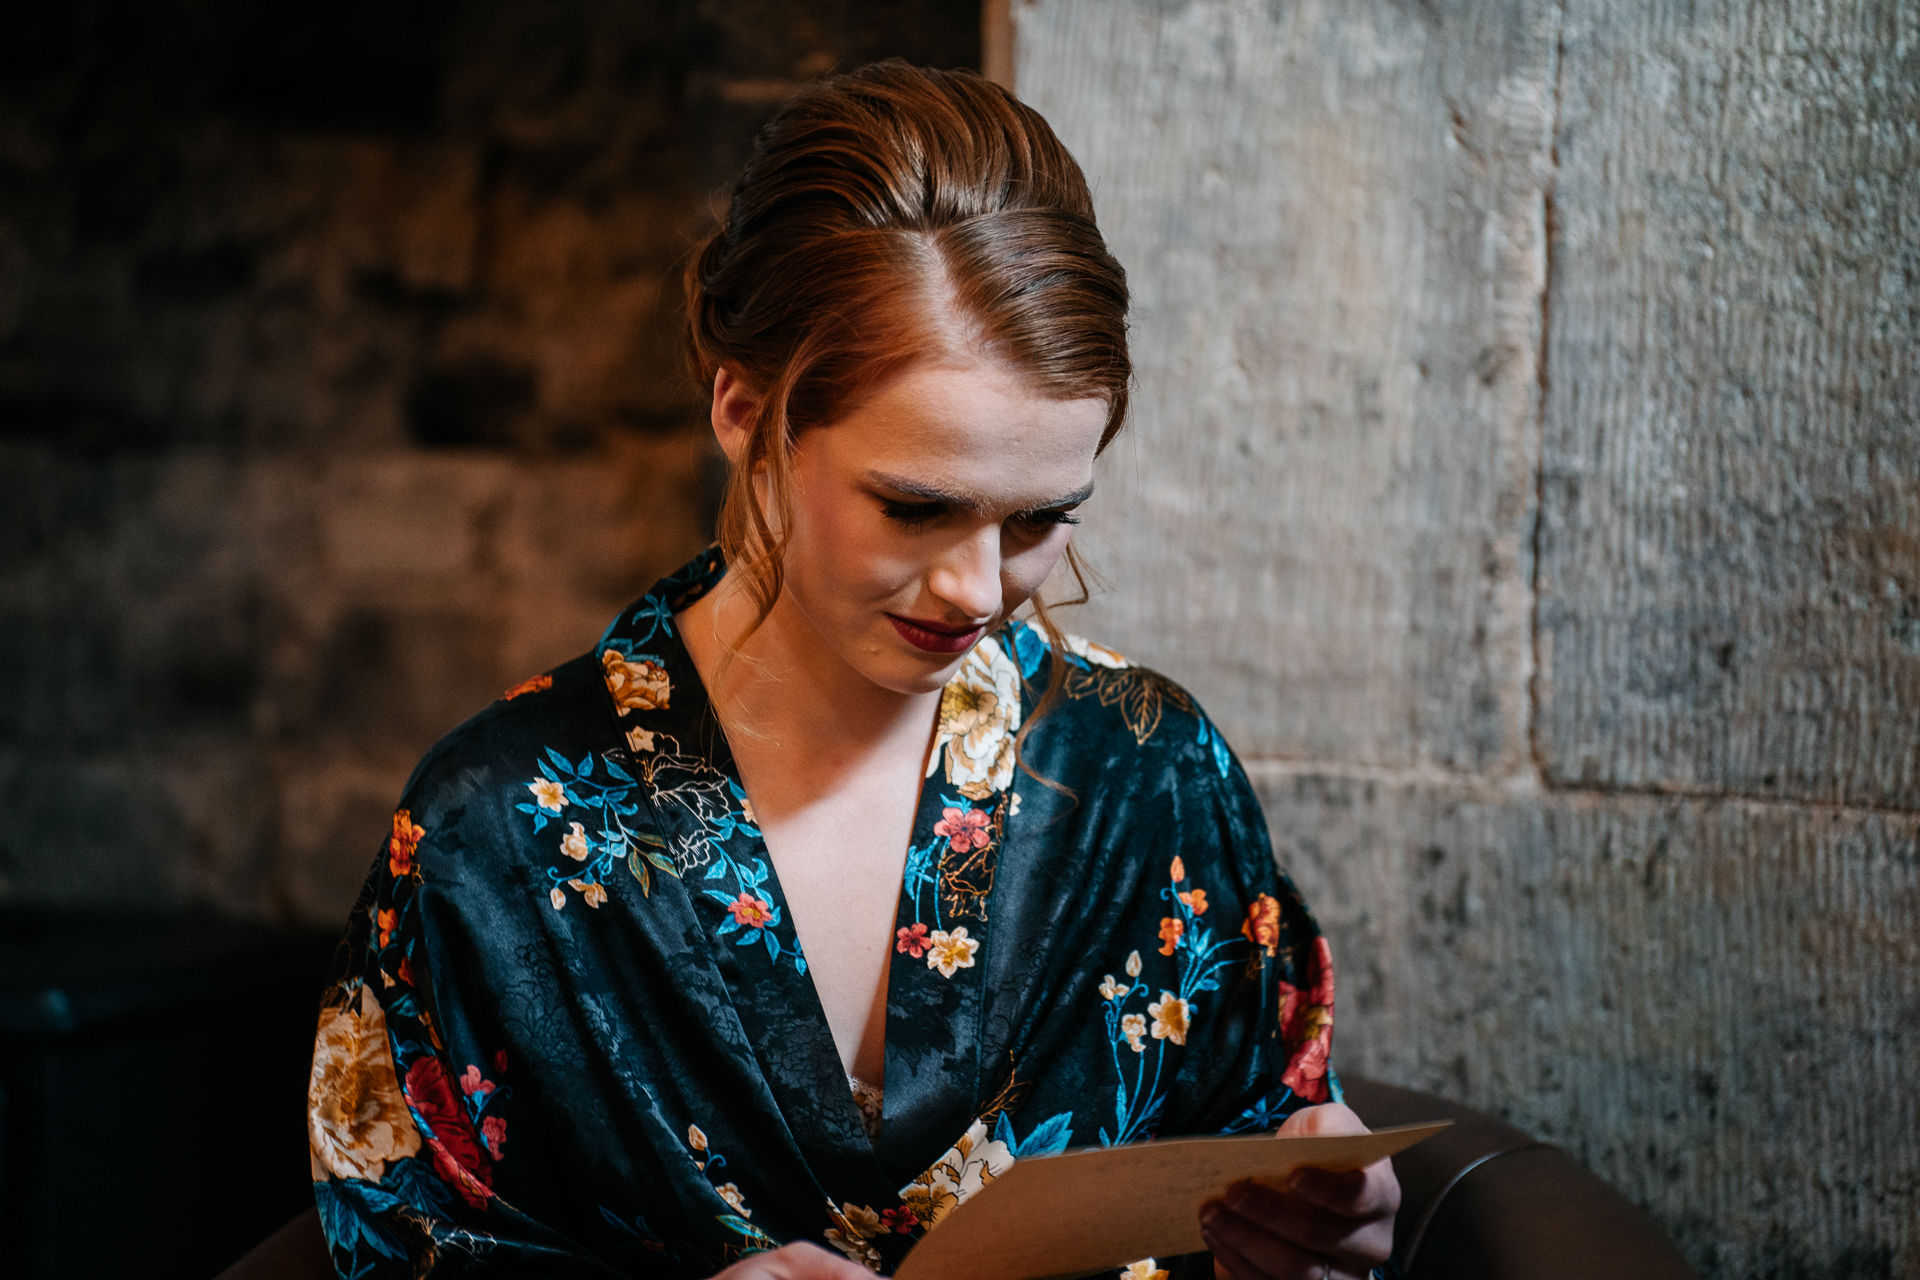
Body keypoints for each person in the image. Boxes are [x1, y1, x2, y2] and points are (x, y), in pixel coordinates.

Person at [306, 61, 1399, 1280]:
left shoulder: (1148, 772)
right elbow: (396, 1245)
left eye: (1041, 518)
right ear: (744, 412)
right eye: (916, 505)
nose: (980, 589)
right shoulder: (487, 832)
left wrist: (1324, 1219)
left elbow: (1272, 1123)